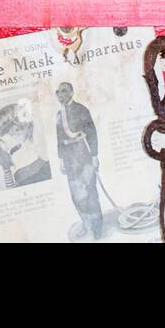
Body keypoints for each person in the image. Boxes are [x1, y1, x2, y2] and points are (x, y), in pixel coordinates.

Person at [55, 81, 103, 240]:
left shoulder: (82, 110)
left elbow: (92, 133)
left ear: (71, 92)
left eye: (64, 91)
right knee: (76, 195)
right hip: (69, 159)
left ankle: (97, 229)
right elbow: (59, 139)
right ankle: (86, 224)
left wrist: (95, 156)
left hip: (83, 155)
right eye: (58, 92)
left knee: (89, 192)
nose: (60, 94)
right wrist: (61, 159)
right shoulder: (58, 115)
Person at [0, 99, 52, 187]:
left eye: (5, 130)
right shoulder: (21, 174)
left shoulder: (41, 171)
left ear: (18, 128)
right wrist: (6, 169)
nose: (2, 142)